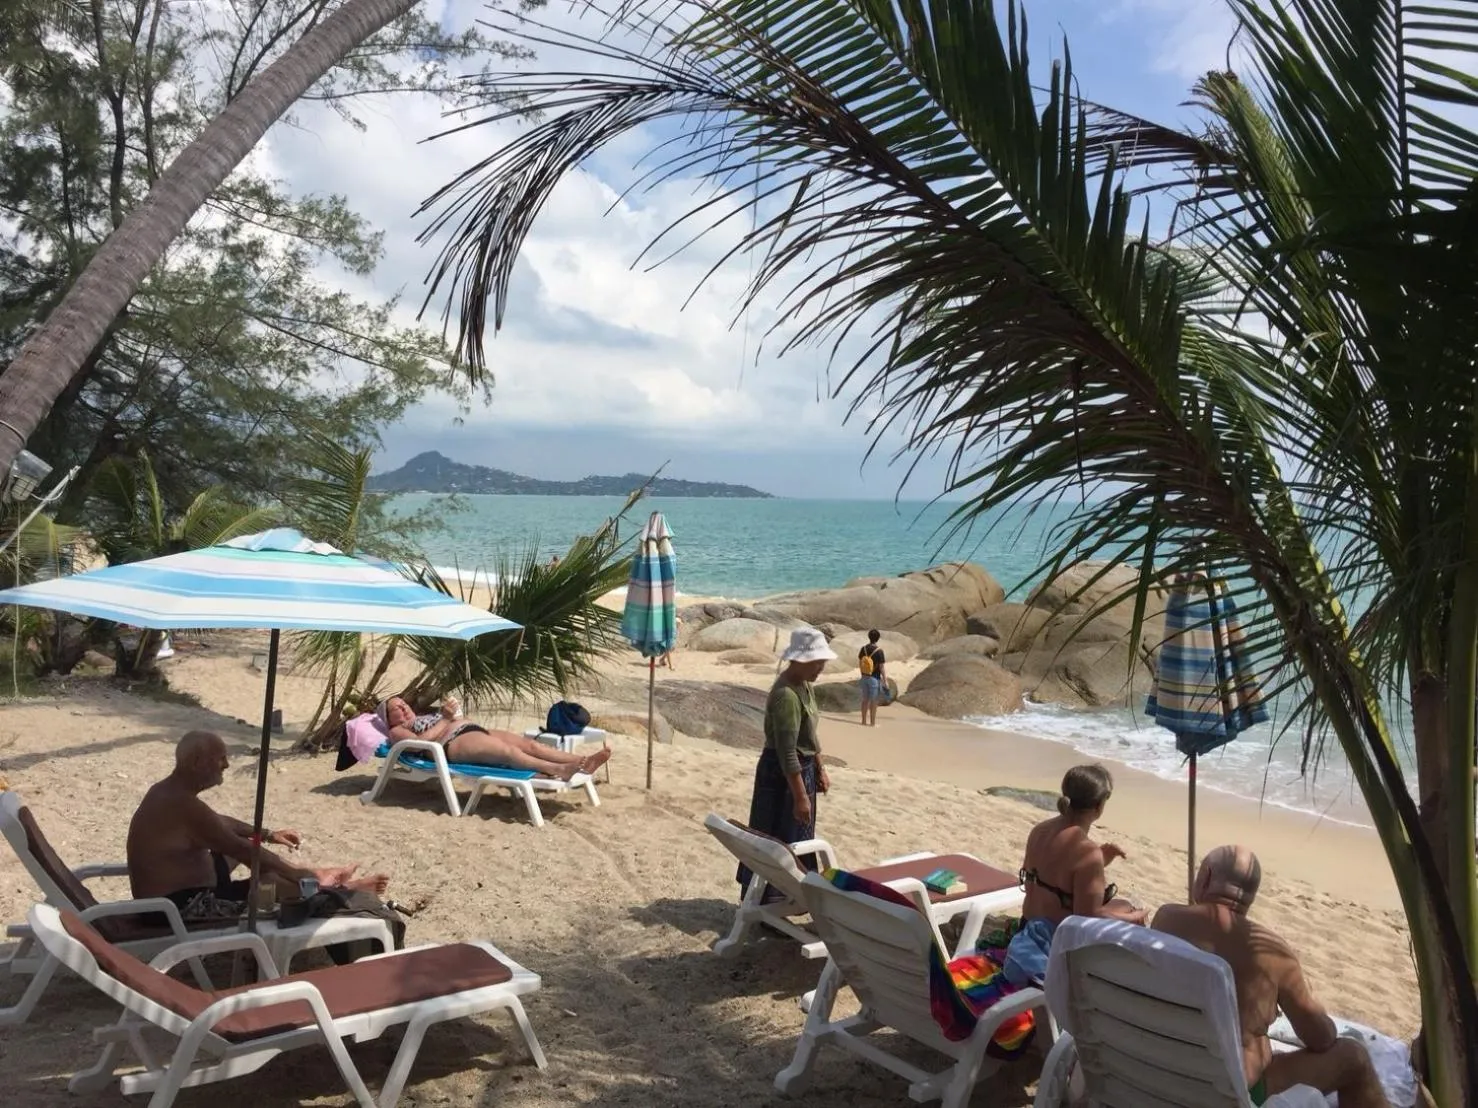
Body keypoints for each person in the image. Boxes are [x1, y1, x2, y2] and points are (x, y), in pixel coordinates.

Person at [1154, 846, 1390, 1108]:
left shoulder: (1165, 919)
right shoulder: (1274, 955)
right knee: (1353, 1057)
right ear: (1250, 897)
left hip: (1157, 1068)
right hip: (1224, 1093)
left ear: (1205, 877)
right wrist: (1304, 996)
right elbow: (1321, 1038)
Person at [128, 731, 389, 913]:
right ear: (197, 763)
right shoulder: (182, 804)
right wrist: (300, 874)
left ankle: (317, 881)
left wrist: (268, 834)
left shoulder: (167, 793)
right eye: (221, 758)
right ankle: (336, 890)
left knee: (258, 856)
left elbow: (220, 823)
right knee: (268, 881)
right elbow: (242, 851)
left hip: (185, 890)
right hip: (177, 908)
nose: (227, 765)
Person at [1002, 763, 1146, 986]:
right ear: (1099, 806)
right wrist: (1131, 917)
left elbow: (1053, 872)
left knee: (1123, 905)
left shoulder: (1039, 830)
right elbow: (1087, 917)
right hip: (1056, 943)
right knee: (1130, 910)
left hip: (1027, 926)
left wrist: (1099, 860)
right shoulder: (1086, 852)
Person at [737, 627, 836, 895]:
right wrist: (800, 796)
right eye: (818, 663)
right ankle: (764, 899)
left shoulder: (804, 686)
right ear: (802, 660)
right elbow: (786, 751)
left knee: (797, 837)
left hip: (801, 770)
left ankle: (789, 897)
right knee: (775, 838)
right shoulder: (786, 696)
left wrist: (820, 767)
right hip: (781, 775)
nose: (821, 669)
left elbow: (809, 735)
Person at [379, 694, 611, 780]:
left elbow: (447, 721)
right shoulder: (397, 731)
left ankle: (580, 761)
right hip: (452, 744)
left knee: (531, 745)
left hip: (470, 730)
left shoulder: (422, 716)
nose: (403, 708)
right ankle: (559, 769)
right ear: (389, 719)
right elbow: (419, 744)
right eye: (396, 709)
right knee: (510, 754)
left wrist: (453, 714)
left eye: (403, 703)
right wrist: (447, 720)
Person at [857, 629, 886, 726]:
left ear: (869, 637)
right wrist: (885, 680)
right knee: (874, 701)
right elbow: (881, 667)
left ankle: (863, 721)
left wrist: (862, 674)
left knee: (865, 700)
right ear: (878, 638)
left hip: (864, 677)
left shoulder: (863, 649)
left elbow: (860, 662)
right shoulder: (879, 651)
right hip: (874, 678)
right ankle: (872, 723)